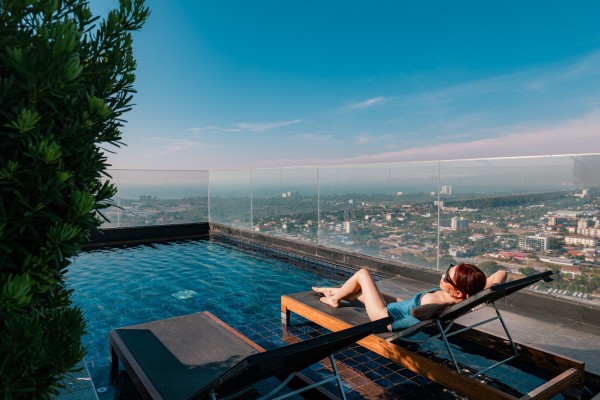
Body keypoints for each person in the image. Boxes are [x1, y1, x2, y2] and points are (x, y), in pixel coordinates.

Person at [312, 263, 507, 332]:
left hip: (384, 318)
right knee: (357, 290)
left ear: (457, 292)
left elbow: (416, 313)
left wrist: (448, 301)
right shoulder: (468, 293)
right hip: (399, 308)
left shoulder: (440, 301)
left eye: (447, 278)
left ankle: (334, 298)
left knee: (363, 274)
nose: (442, 276)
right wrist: (485, 290)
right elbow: (501, 273)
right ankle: (337, 292)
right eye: (448, 270)